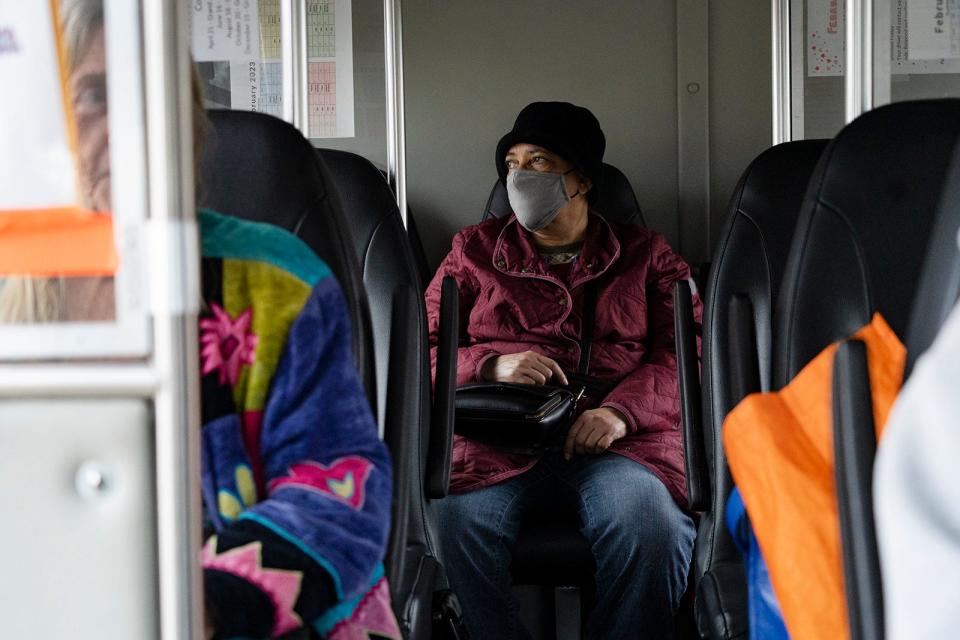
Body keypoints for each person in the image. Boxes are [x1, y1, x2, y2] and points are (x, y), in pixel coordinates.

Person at [0, 2, 401, 637]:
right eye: (95, 97)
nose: (131, 128)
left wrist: (209, 604)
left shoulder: (278, 283)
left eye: (151, 96)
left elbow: (336, 487)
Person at [425, 101, 701, 639]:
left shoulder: (647, 256)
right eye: (512, 163)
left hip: (620, 444)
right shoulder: (473, 252)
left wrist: (621, 413)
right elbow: (421, 349)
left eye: (541, 163)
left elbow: (687, 356)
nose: (520, 177)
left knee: (650, 526)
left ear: (583, 179)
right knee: (453, 525)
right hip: (496, 441)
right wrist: (490, 364)